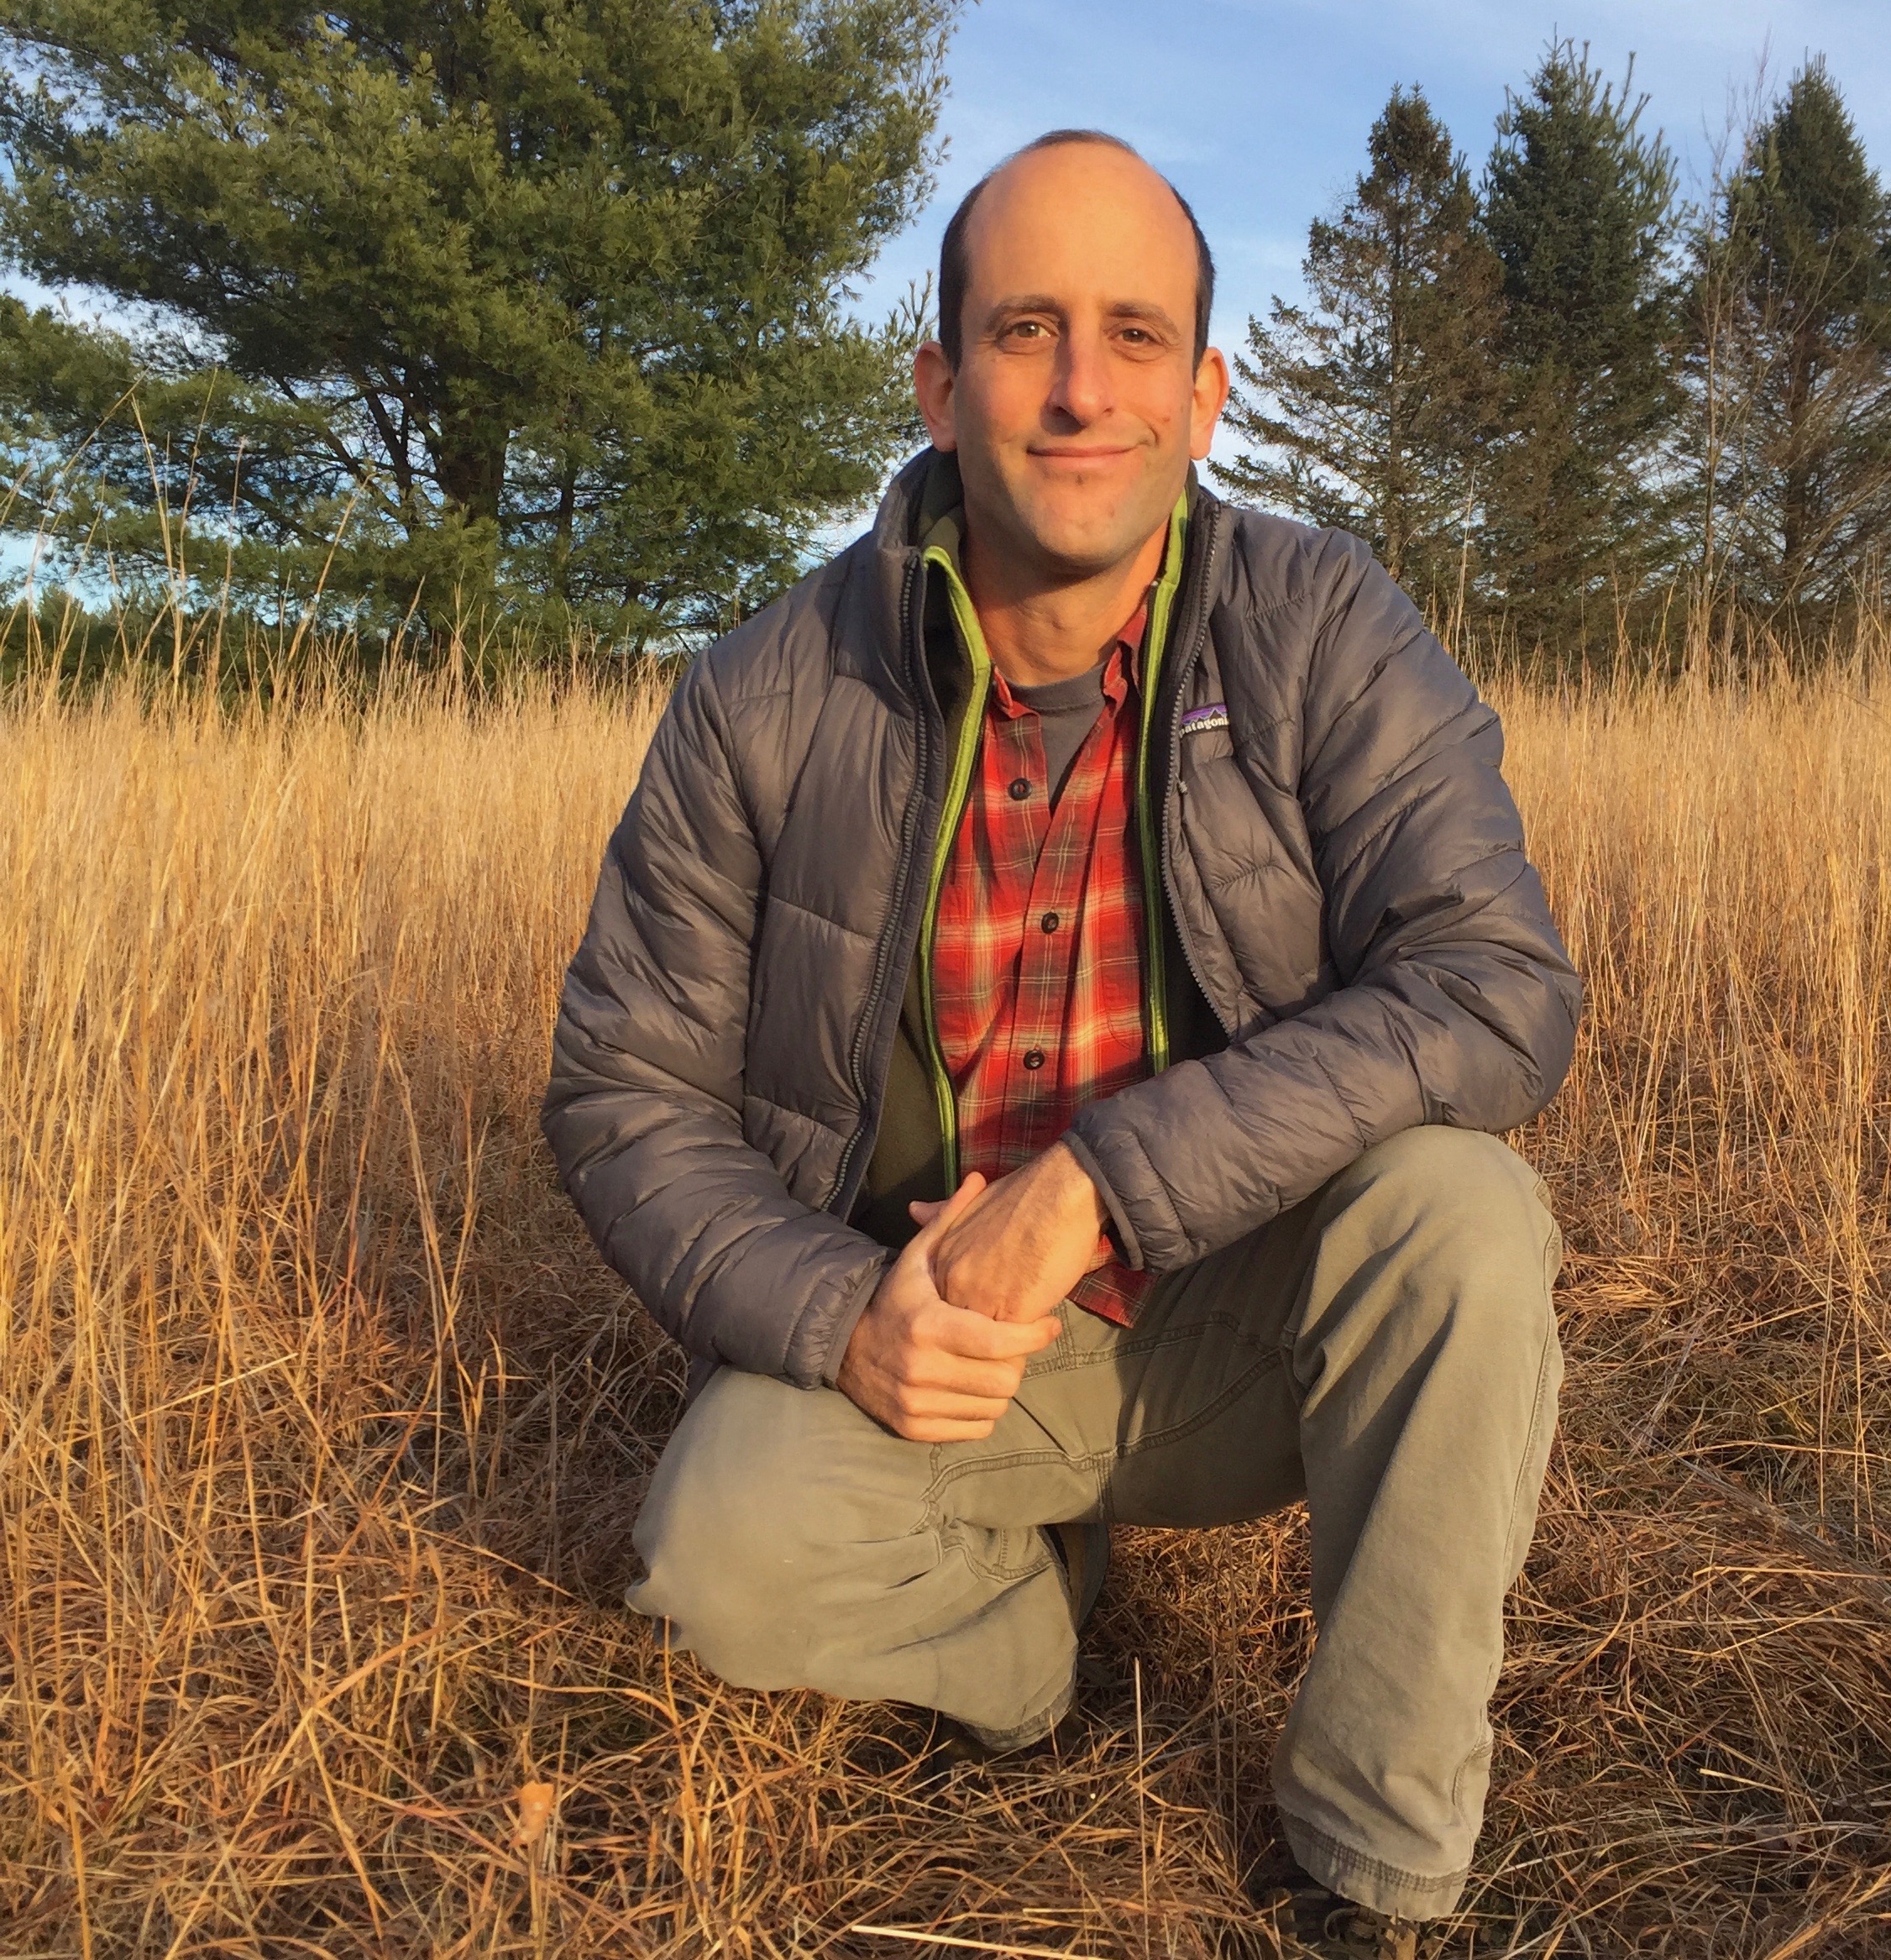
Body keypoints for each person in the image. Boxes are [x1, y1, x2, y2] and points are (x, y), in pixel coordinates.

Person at [542, 128, 1579, 1960]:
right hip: (931, 1337)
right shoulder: (760, 694)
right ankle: (1025, 1642)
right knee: (711, 1551)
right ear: (940, 384)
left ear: (1205, 390)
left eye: (1130, 334)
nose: (1081, 387)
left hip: (1256, 1319)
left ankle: (1372, 1864)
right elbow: (627, 1093)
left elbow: (1493, 989)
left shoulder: (1322, 627)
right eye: (1024, 331)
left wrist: (1101, 1183)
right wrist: (831, 1313)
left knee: (1463, 1221)